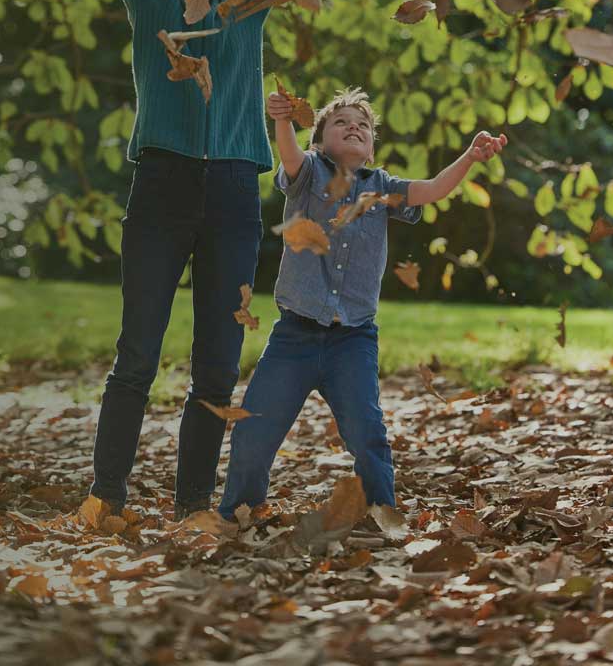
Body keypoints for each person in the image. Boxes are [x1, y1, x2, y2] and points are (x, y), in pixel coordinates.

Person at [51, 0, 371, 521]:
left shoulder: (243, 1)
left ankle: (193, 503)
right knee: (136, 353)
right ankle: (108, 496)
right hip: (160, 186)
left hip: (232, 192)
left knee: (217, 364)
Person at [216, 85, 506, 518]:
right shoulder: (309, 172)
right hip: (295, 336)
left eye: (364, 125)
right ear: (319, 140)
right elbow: (290, 156)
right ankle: (238, 511)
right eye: (341, 122)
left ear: (371, 147)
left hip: (353, 341)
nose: (354, 127)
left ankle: (381, 512)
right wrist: (281, 120)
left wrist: (468, 157)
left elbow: (430, 190)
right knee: (254, 428)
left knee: (368, 431)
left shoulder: (382, 186)